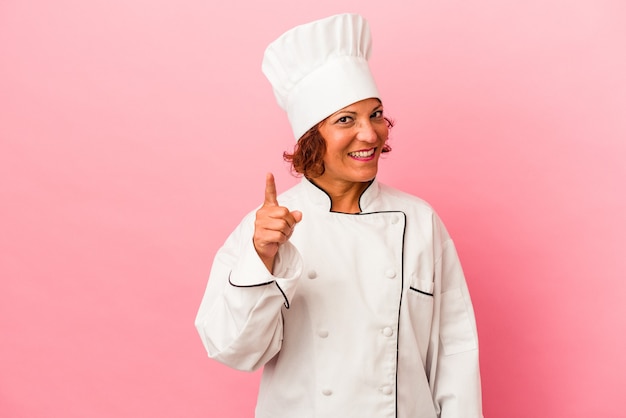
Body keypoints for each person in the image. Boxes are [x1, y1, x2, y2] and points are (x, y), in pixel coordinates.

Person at [195, 13, 483, 418]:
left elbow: (454, 353)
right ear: (311, 138)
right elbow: (233, 350)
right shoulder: (266, 230)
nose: (370, 134)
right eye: (346, 119)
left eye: (376, 114)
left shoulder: (420, 221)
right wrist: (261, 257)